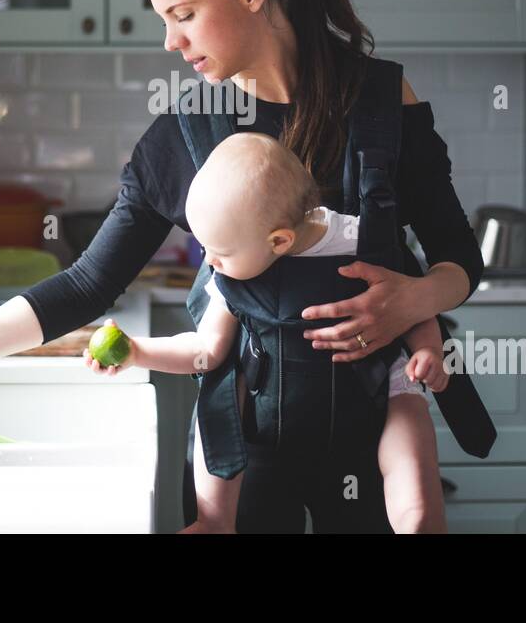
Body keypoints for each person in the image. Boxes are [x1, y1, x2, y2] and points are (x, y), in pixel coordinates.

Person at [0, 0, 486, 532]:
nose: (171, 41)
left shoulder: (380, 99)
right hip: (245, 454)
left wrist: (416, 299)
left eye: (185, 13)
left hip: (376, 432)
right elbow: (88, 284)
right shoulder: (184, 136)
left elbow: (461, 258)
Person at [82, 131, 450, 533]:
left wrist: (427, 350)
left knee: (409, 411)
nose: (211, 262)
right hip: (273, 411)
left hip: (370, 393)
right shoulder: (232, 273)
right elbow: (206, 349)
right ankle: (213, 520)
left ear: (279, 241)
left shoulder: (363, 241)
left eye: (219, 252)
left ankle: (416, 516)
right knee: (220, 395)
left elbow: (412, 303)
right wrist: (136, 352)